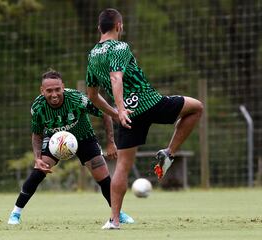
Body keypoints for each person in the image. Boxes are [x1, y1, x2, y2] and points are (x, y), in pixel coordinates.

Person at [85, 8, 203, 229]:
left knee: (122, 166)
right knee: (196, 108)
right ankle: (169, 153)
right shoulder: (121, 46)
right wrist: (119, 109)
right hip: (150, 103)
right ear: (119, 26)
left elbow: (92, 95)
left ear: (98, 28)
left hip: (129, 116)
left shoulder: (92, 55)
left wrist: (117, 113)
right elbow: (115, 77)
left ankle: (114, 220)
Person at [7, 70, 134, 225]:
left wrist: (111, 142)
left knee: (103, 176)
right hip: (55, 140)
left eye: (57, 89)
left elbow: (105, 114)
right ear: (42, 90)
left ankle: (117, 214)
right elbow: (37, 135)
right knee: (38, 171)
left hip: (84, 138)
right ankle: (15, 214)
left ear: (63, 87)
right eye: (49, 91)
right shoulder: (38, 108)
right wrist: (37, 158)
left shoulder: (77, 99)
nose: (54, 94)